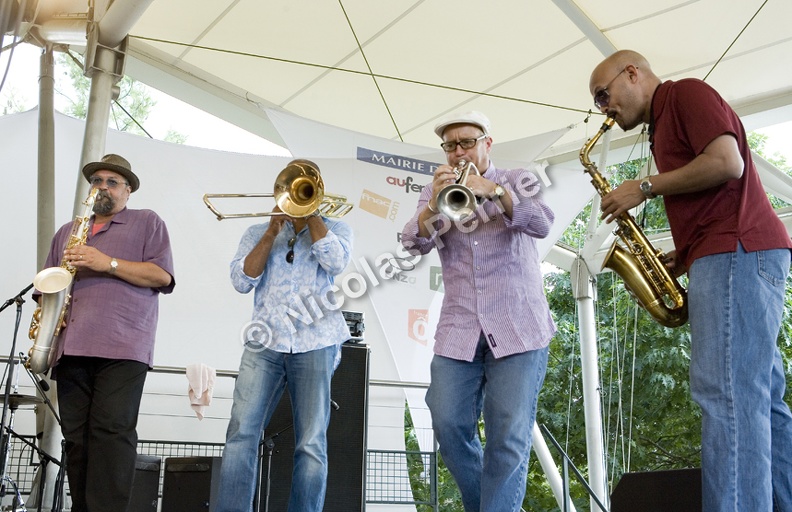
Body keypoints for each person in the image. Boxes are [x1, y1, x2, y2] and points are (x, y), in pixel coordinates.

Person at [590, 50, 792, 511]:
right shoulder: (663, 121)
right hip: (735, 251)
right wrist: (681, 258)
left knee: (725, 396)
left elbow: (728, 163)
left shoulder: (683, 93)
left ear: (633, 73)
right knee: (763, 402)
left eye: (604, 94)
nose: (603, 108)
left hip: (736, 251)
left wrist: (642, 187)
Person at [400, 111, 556, 511]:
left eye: (466, 142)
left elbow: (541, 223)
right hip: (460, 329)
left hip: (519, 327)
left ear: (487, 143)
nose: (457, 152)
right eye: (450, 146)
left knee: (508, 434)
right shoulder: (436, 190)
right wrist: (432, 206)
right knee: (447, 421)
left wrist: (494, 190)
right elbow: (412, 244)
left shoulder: (518, 179)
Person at [36, 153, 175, 512]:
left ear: (128, 191)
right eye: (97, 181)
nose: (103, 187)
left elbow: (161, 276)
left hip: (123, 346)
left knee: (111, 434)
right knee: (77, 439)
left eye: (112, 182)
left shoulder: (147, 223)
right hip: (71, 347)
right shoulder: (68, 231)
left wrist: (107, 263)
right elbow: (46, 286)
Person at [216, 159, 353, 512]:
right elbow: (241, 281)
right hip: (264, 341)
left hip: (316, 340)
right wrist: (269, 233)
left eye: (306, 190)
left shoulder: (336, 227)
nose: (299, 196)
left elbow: (336, 263)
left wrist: (313, 216)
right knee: (241, 434)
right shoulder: (257, 232)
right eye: (296, 189)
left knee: (310, 442)